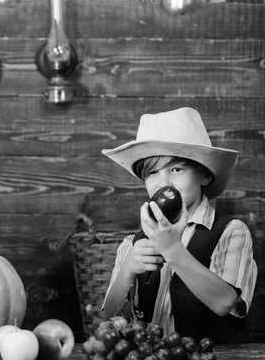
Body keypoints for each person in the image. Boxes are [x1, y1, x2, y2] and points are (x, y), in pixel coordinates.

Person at [101, 107, 257, 343]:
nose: (164, 182)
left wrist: (173, 251)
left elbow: (225, 303)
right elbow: (108, 318)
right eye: (152, 173)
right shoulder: (133, 244)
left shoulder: (232, 232)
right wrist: (127, 271)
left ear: (203, 175)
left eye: (176, 169)